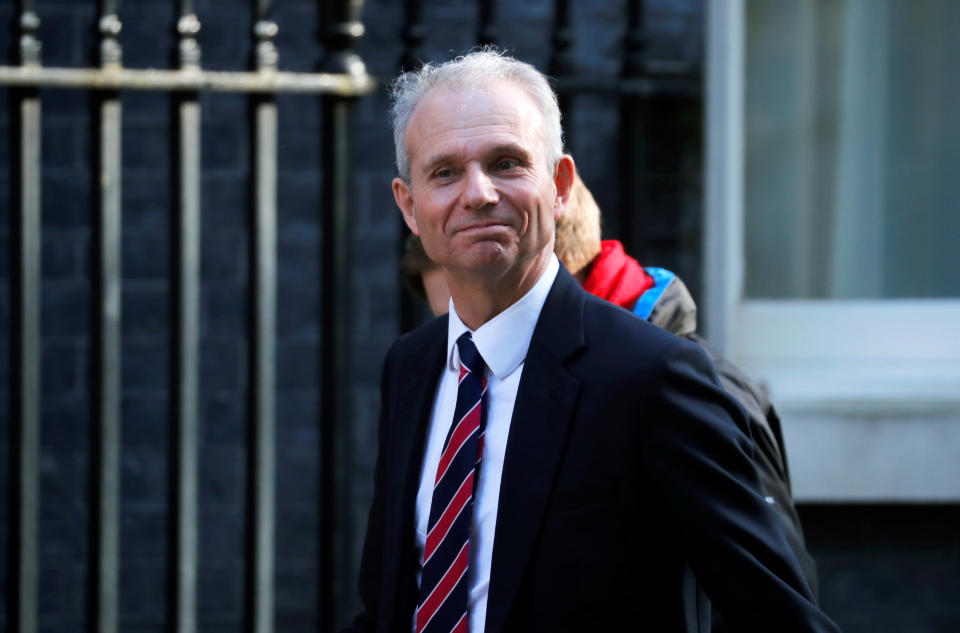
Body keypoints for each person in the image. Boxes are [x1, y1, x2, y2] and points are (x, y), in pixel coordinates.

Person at [347, 49, 839, 633]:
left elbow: (781, 617)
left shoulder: (655, 376)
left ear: (559, 186)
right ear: (408, 204)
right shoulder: (412, 367)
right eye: (445, 172)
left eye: (506, 163)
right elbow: (389, 604)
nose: (477, 193)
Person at [402, 172, 820, 631]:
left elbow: (771, 603)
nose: (472, 338)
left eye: (480, 314)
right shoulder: (468, 385)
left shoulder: (700, 389)